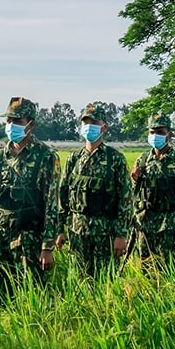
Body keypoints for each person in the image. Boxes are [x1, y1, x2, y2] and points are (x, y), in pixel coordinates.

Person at [0, 97, 60, 302]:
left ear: (31, 124)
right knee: (0, 298)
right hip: (1, 239)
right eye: (9, 120)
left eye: (17, 121)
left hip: (30, 240)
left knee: (33, 298)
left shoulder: (46, 156)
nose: (11, 126)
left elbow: (52, 204)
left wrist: (47, 247)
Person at [56, 103, 133, 278]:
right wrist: (59, 229)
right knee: (78, 281)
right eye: (85, 122)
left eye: (94, 122)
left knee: (105, 283)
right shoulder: (73, 159)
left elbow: (126, 199)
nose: (88, 126)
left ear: (104, 127)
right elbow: (63, 196)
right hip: (77, 233)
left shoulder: (115, 159)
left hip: (105, 234)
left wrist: (121, 235)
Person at [130, 112, 175, 262]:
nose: (155, 135)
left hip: (169, 224)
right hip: (145, 222)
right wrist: (134, 180)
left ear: (169, 135)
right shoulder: (142, 160)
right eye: (152, 132)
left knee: (167, 268)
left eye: (160, 132)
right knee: (145, 267)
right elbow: (135, 193)